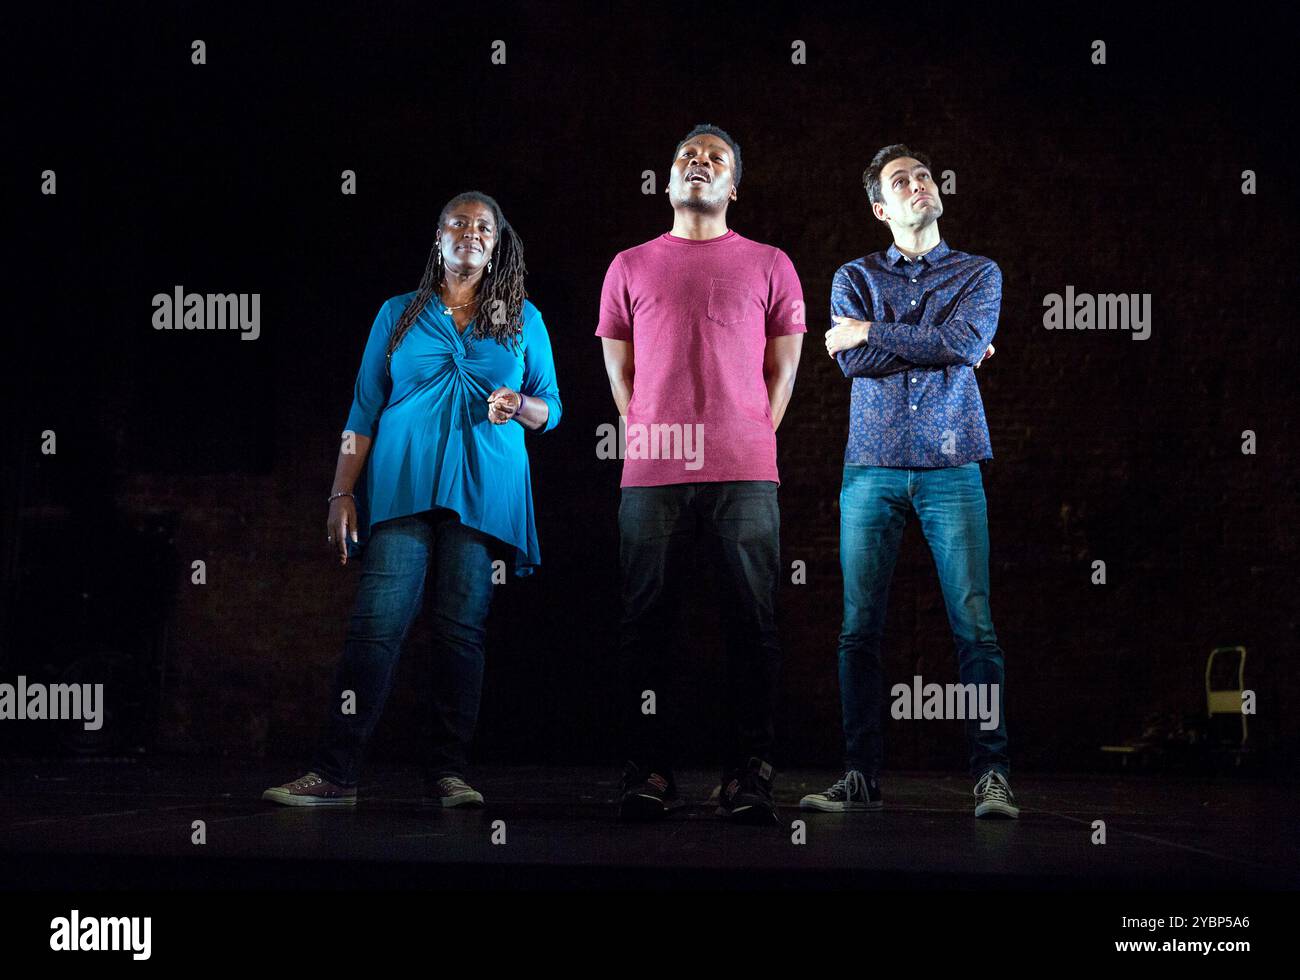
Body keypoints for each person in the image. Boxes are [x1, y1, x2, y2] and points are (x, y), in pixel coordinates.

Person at [262, 191, 562, 809]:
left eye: (485, 226)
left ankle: (448, 774)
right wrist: (342, 490)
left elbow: (551, 408)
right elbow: (364, 407)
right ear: (438, 237)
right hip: (401, 488)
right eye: (459, 222)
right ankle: (335, 774)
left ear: (497, 242)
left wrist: (519, 405)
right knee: (376, 627)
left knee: (460, 633)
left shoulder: (522, 317)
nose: (471, 231)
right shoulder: (397, 313)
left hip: (483, 490)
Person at [801, 144, 1018, 819]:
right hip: (871, 469)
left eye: (924, 175)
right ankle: (860, 774)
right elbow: (855, 361)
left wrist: (875, 331)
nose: (920, 184)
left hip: (953, 469)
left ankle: (992, 776)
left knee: (974, 626)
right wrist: (941, 341)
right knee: (858, 628)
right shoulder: (853, 275)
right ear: (879, 207)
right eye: (903, 180)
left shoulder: (979, 273)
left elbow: (960, 338)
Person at [596, 124, 805, 825]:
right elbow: (621, 376)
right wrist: (658, 432)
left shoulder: (772, 262)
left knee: (752, 624)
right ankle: (647, 770)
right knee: (644, 625)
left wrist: (742, 434)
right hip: (651, 472)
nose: (699, 163)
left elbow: (783, 372)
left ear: (733, 186)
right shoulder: (628, 264)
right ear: (667, 180)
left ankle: (748, 774)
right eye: (687, 155)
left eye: (716, 159)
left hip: (745, 470)